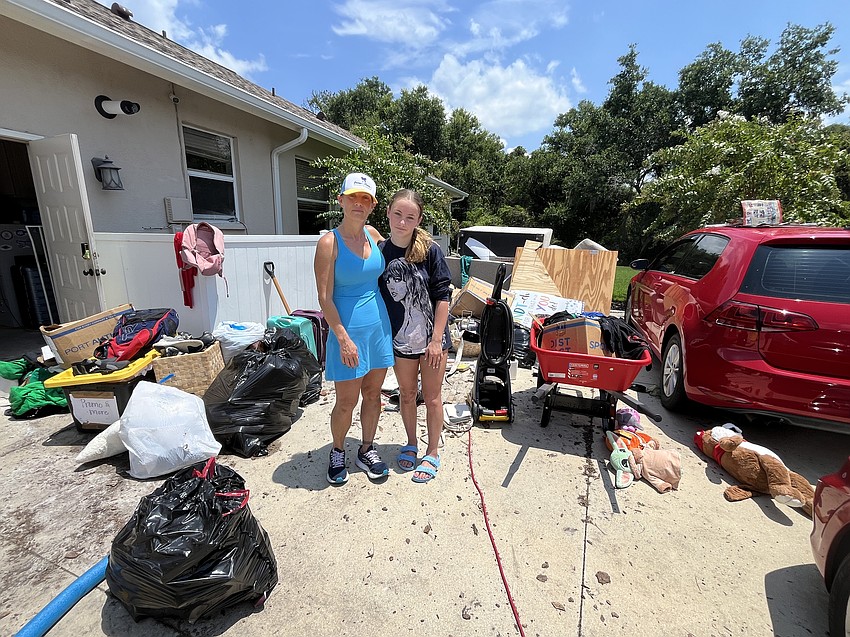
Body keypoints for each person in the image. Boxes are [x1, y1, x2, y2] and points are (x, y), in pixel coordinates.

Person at [314, 172, 395, 485]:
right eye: (353, 197)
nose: (358, 203)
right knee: (346, 401)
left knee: (373, 395)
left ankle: (366, 448)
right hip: (347, 332)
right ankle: (337, 451)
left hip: (378, 329)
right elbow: (324, 297)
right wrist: (343, 339)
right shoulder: (328, 243)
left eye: (365, 198)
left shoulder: (373, 235)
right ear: (341, 201)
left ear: (372, 205)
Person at [378, 189, 452, 483]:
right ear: (388, 213)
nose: (402, 221)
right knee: (407, 396)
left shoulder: (430, 250)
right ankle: (411, 443)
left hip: (432, 342)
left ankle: (432, 452)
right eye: (397, 214)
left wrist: (436, 340)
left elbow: (443, 296)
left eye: (410, 216)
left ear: (418, 219)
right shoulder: (380, 252)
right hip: (401, 341)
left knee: (432, 398)